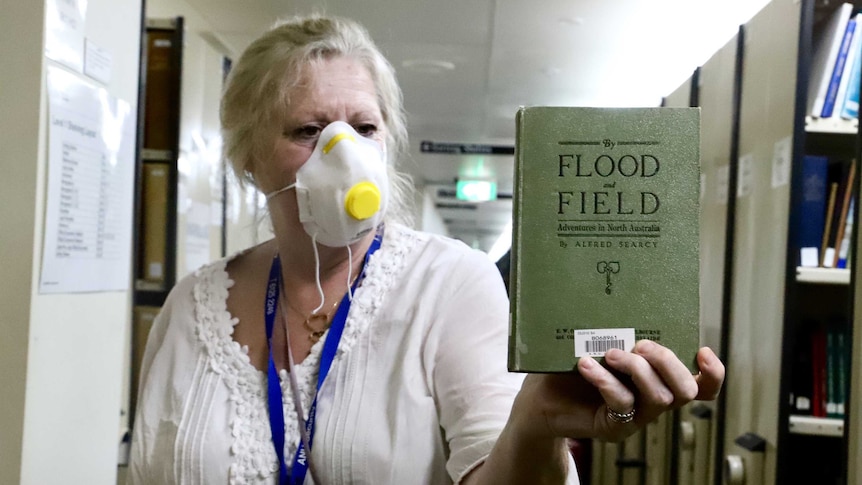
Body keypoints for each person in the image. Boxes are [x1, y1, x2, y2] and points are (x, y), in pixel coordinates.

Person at [129, 14, 725, 485]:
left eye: (364, 129)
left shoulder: (451, 285)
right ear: (250, 159)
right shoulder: (192, 306)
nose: (345, 155)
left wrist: (535, 425)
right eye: (309, 130)